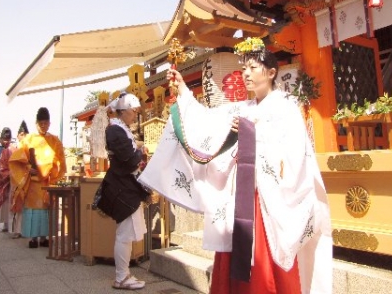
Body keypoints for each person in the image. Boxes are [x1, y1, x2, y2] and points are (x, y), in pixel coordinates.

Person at [139, 38, 332, 293]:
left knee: (264, 261)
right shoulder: (243, 107)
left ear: (272, 72)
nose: (246, 74)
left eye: (253, 68)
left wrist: (250, 134)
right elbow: (206, 121)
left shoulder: (286, 108)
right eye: (244, 69)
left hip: (266, 201)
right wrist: (184, 90)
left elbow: (296, 156)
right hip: (240, 198)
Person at [97, 93, 150, 290]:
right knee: (124, 234)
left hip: (125, 185)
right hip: (123, 186)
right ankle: (121, 277)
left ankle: (124, 274)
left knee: (126, 234)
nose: (136, 114)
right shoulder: (115, 131)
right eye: (134, 110)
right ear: (123, 110)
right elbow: (129, 160)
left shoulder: (119, 129)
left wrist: (138, 152)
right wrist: (140, 152)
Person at [9, 107, 66, 248]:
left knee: (46, 210)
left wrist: (54, 174)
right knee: (33, 211)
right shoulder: (28, 140)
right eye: (41, 123)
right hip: (33, 182)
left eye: (46, 123)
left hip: (47, 181)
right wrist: (29, 168)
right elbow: (18, 158)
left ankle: (45, 237)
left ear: (49, 124)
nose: (43, 126)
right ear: (36, 124)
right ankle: (33, 238)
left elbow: (61, 160)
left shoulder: (54, 140)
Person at [9, 120, 29, 239]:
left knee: (25, 206)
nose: (23, 136)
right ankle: (16, 230)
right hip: (15, 179)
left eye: (25, 134)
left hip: (26, 179)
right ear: (17, 135)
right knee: (16, 205)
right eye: (21, 134)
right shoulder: (12, 148)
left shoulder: (29, 148)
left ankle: (24, 230)